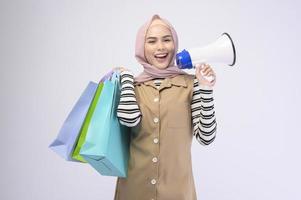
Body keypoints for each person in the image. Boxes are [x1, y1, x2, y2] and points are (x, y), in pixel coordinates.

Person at [113, 14, 217, 200]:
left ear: (175, 43)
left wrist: (206, 89)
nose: (160, 47)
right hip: (134, 191)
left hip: (177, 192)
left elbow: (206, 137)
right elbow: (129, 119)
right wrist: (127, 78)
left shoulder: (191, 85)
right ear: (141, 47)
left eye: (166, 39)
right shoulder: (131, 86)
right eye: (151, 41)